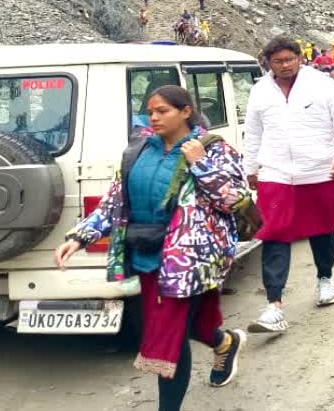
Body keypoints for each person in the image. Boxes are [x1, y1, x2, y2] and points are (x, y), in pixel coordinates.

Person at [55, 86, 248, 411]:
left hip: (190, 258)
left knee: (168, 338)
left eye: (162, 111)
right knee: (192, 326)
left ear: (186, 111)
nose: (154, 117)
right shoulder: (139, 150)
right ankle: (225, 342)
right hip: (146, 255)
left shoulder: (214, 150)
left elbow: (235, 200)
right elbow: (115, 201)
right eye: (151, 111)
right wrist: (80, 237)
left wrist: (199, 164)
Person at [244, 37, 334, 333]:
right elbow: (253, 132)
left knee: (321, 229)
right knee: (273, 233)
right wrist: (251, 168)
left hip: (319, 170)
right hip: (276, 172)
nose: (285, 66)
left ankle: (325, 278)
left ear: (300, 58)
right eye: (278, 62)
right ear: (267, 63)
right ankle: (273, 305)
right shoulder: (260, 91)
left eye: (290, 60)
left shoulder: (323, 86)